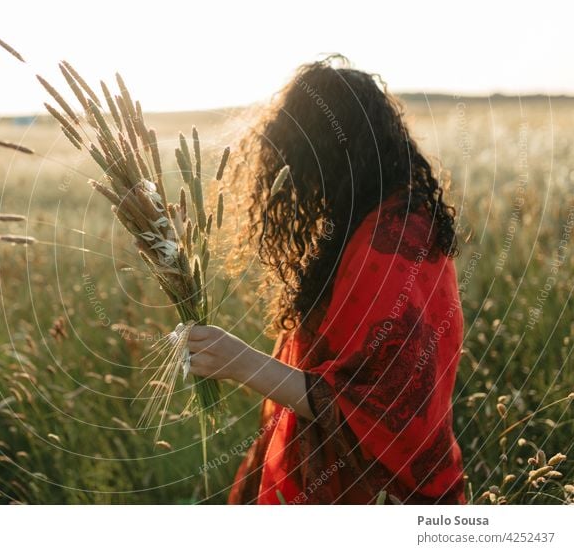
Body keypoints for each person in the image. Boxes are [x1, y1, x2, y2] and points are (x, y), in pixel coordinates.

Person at [186, 56, 465, 504]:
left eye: (300, 158)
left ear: (333, 153)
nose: (297, 181)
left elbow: (370, 406)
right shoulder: (388, 216)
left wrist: (239, 362)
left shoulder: (388, 245)